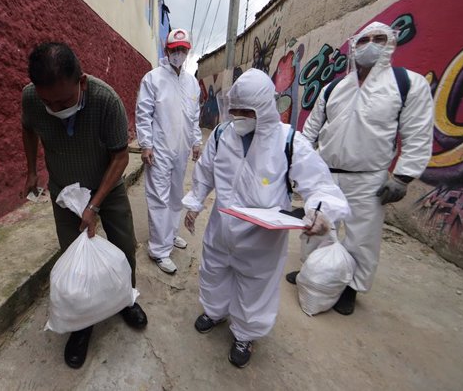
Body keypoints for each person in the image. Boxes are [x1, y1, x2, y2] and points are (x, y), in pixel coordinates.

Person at [183, 69, 350, 368]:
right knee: (213, 271)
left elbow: (321, 185)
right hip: (221, 227)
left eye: (247, 111)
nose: (239, 116)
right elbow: (205, 172)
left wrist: (321, 212)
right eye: (235, 110)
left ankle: (245, 334)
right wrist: (195, 203)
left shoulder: (289, 142)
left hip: (262, 239)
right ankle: (215, 310)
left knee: (255, 287)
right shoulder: (222, 134)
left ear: (264, 108)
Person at [285, 21, 434, 315]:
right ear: (355, 46)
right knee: (316, 228)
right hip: (325, 174)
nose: (371, 45)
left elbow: (417, 132)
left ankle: (350, 288)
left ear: (391, 43)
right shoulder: (334, 88)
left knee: (361, 238)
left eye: (380, 39)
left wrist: (403, 177)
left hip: (369, 179)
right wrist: (295, 163)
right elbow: (311, 129)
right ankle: (313, 273)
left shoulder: (406, 84)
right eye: (365, 39)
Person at [21, 42, 147, 369]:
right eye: (48, 102)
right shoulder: (33, 99)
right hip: (64, 189)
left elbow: (120, 157)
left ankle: (125, 299)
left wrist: (94, 205)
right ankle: (82, 323)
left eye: (63, 101)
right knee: (74, 256)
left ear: (82, 82)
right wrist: (33, 170)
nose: (54, 108)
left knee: (123, 247)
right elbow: (28, 127)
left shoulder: (106, 101)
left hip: (107, 182)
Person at [135, 28, 202, 274]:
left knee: (175, 196)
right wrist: (146, 144)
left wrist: (196, 142)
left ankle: (170, 235)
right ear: (167, 50)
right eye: (175, 50)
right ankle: (158, 250)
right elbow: (143, 114)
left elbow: (194, 117)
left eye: (183, 49)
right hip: (159, 150)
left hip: (181, 149)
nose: (179, 54)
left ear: (188, 51)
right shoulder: (152, 79)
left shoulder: (191, 82)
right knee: (158, 198)